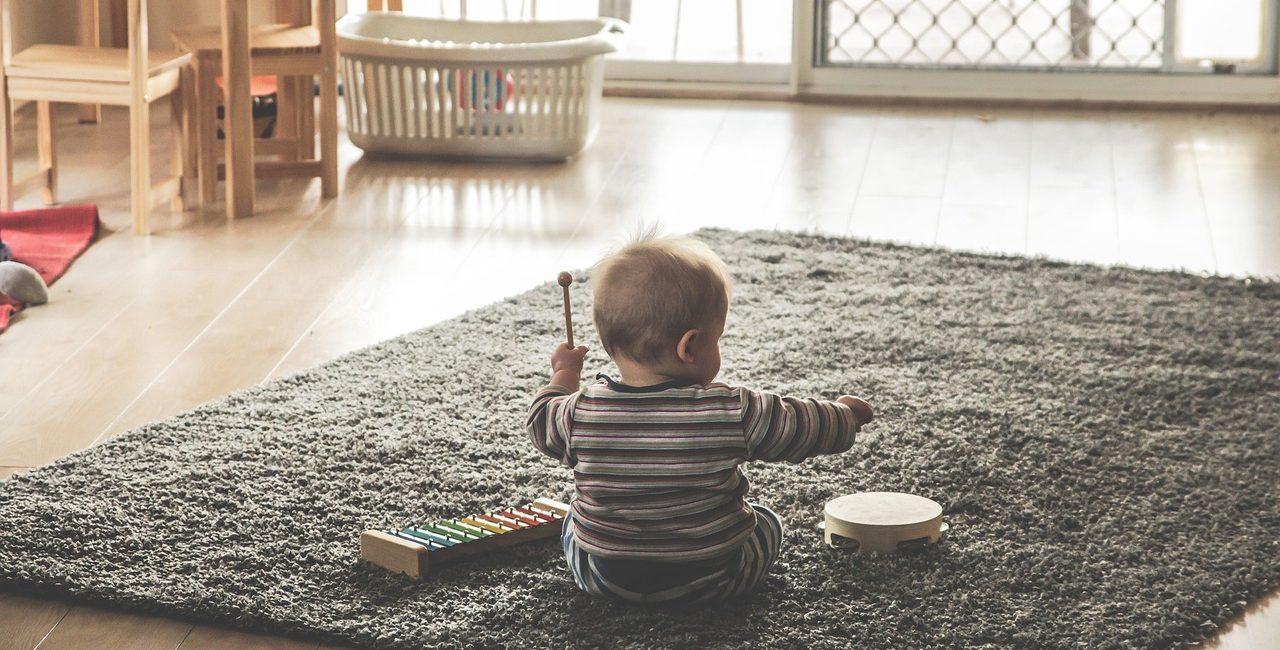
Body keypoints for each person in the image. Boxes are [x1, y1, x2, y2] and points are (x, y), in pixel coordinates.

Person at [527, 231, 874, 606]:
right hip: (712, 579)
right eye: (717, 339)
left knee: (571, 524)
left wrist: (564, 373)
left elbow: (540, 419)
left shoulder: (577, 413)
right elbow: (800, 424)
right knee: (767, 522)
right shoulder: (731, 410)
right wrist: (845, 416)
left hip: (606, 579)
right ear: (689, 346)